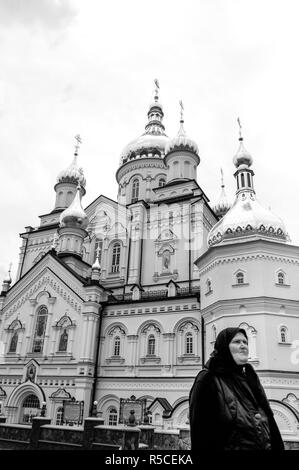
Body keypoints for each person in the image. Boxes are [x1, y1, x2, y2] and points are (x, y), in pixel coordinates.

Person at [189, 327, 284, 451]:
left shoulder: (250, 378)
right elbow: (201, 435)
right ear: (224, 347)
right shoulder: (208, 379)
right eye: (237, 342)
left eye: (245, 342)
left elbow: (269, 425)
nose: (243, 346)